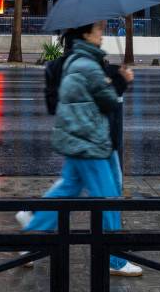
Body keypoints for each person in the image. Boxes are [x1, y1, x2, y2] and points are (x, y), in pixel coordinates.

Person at [16, 20, 142, 277]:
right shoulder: (87, 65)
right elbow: (107, 101)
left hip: (79, 139)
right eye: (98, 31)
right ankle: (115, 260)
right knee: (107, 197)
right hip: (88, 142)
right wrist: (122, 78)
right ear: (85, 34)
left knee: (66, 191)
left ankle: (31, 241)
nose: (102, 36)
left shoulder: (77, 62)